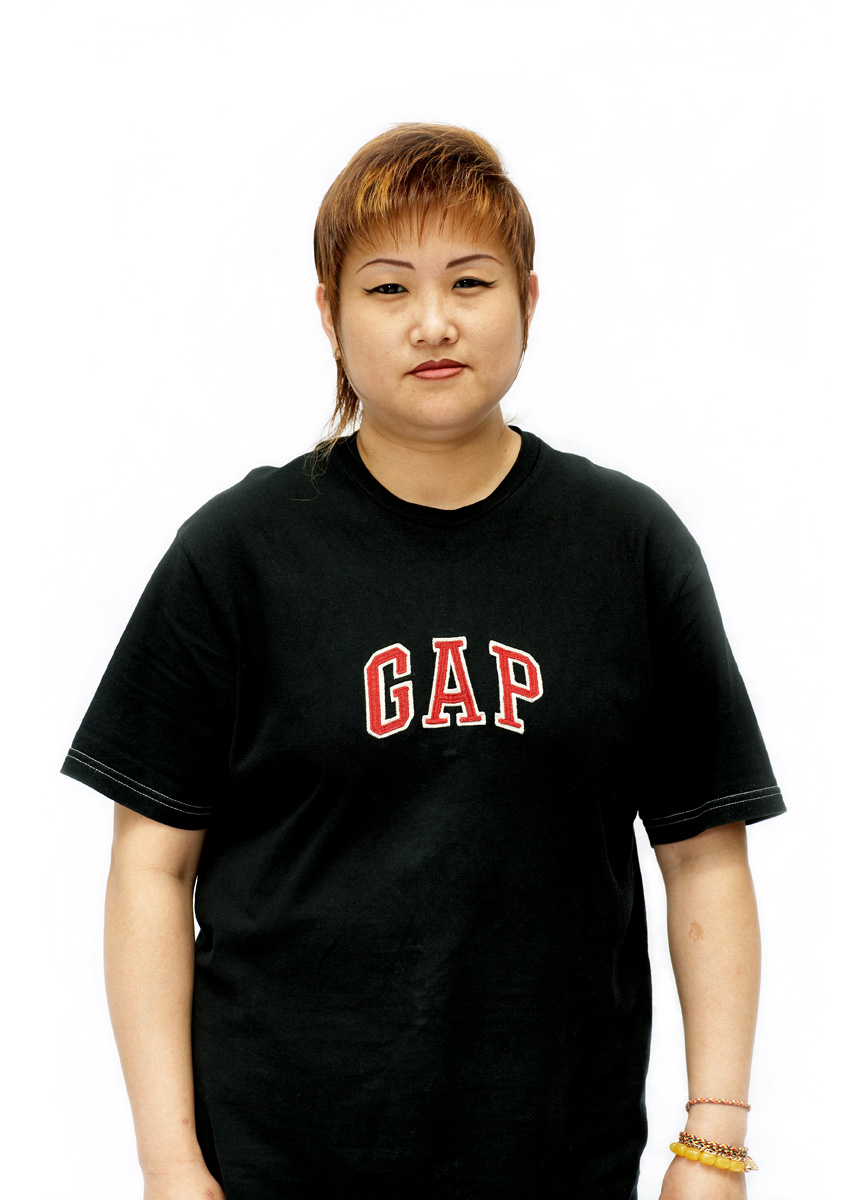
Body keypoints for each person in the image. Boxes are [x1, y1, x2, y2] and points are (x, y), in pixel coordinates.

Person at [61, 123, 785, 1200]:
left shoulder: (628, 547)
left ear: (528, 301)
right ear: (330, 315)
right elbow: (150, 868)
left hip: (560, 1160)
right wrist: (170, 1163)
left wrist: (713, 1143)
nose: (433, 322)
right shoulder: (237, 555)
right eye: (389, 287)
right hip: (277, 1166)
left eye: (471, 282)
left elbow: (704, 856)